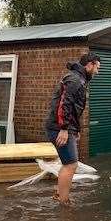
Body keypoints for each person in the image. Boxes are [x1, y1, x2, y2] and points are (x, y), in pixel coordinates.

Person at [44, 53, 101, 205]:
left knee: (69, 163)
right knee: (70, 164)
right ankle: (63, 201)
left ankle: (60, 195)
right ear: (90, 65)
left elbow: (75, 109)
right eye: (97, 67)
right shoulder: (75, 80)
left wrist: (76, 130)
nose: (97, 72)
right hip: (59, 127)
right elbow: (65, 104)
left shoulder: (79, 79)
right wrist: (64, 129)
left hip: (65, 127)